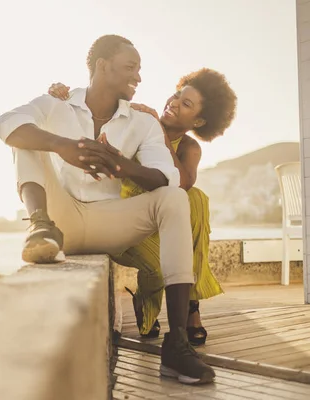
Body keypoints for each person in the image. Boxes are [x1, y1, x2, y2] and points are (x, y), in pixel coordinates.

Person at [0, 34, 215, 385]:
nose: (139, 77)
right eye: (130, 67)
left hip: (111, 223)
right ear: (102, 66)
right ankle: (38, 226)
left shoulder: (142, 123)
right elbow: (3, 123)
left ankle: (177, 345)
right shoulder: (56, 104)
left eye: (140, 70)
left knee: (176, 198)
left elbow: (168, 177)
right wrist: (61, 146)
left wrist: (122, 165)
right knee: (24, 137)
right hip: (61, 219)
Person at [47, 69, 237, 346]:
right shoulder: (138, 121)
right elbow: (98, 112)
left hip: (161, 224)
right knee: (161, 266)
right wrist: (62, 97)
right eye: (176, 95)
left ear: (198, 120)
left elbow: (181, 184)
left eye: (186, 104)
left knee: (194, 198)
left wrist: (160, 131)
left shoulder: (188, 148)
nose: (173, 103)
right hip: (120, 219)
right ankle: (159, 306)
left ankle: (190, 306)